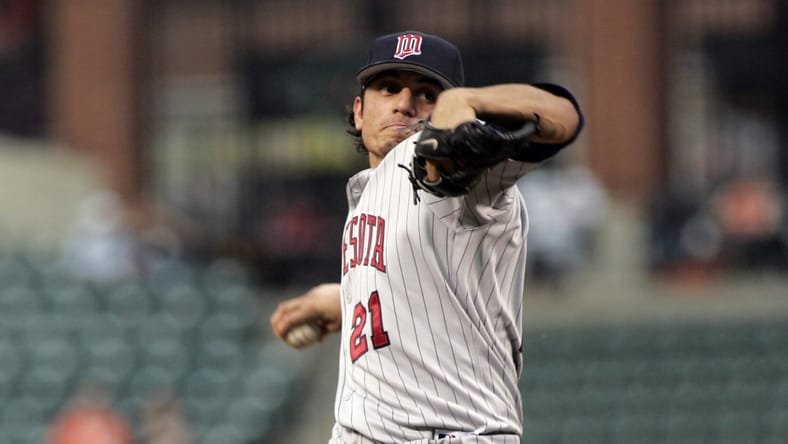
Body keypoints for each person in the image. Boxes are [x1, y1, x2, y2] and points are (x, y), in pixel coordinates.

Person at [270, 30, 583, 443]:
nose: (404, 103)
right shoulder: (366, 194)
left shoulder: (458, 169)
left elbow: (563, 116)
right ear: (359, 111)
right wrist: (347, 298)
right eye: (388, 88)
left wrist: (465, 105)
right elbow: (421, 282)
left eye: (427, 92)